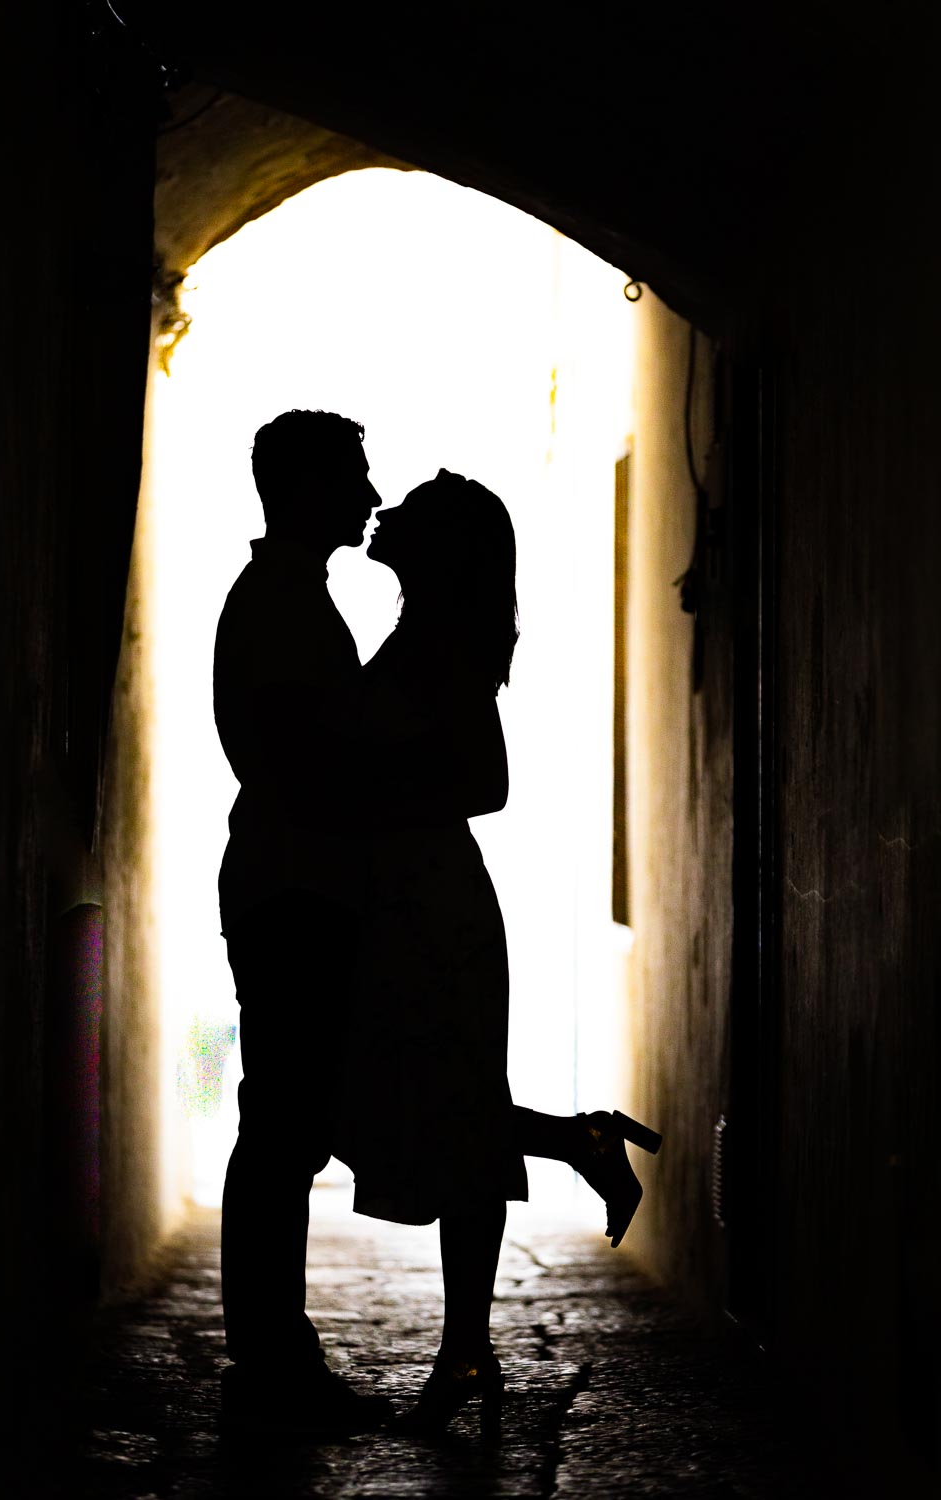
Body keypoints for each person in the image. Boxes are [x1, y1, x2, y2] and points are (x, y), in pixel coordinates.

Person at [338, 470, 661, 1437]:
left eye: (414, 513)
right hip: (411, 900)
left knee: (450, 1114)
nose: (385, 511)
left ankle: (469, 1348)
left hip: (432, 904)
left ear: (441, 550)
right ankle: (575, 1146)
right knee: (439, 1109)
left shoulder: (443, 644)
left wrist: (364, 797)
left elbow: (488, 781)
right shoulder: (427, 633)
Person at [212, 408, 392, 1434]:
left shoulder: (285, 599)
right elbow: (301, 761)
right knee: (282, 1125)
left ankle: (271, 1350)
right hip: (295, 887)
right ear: (309, 483)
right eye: (354, 477)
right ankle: (271, 1358)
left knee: (283, 1123)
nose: (370, 497)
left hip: (294, 880)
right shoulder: (281, 606)